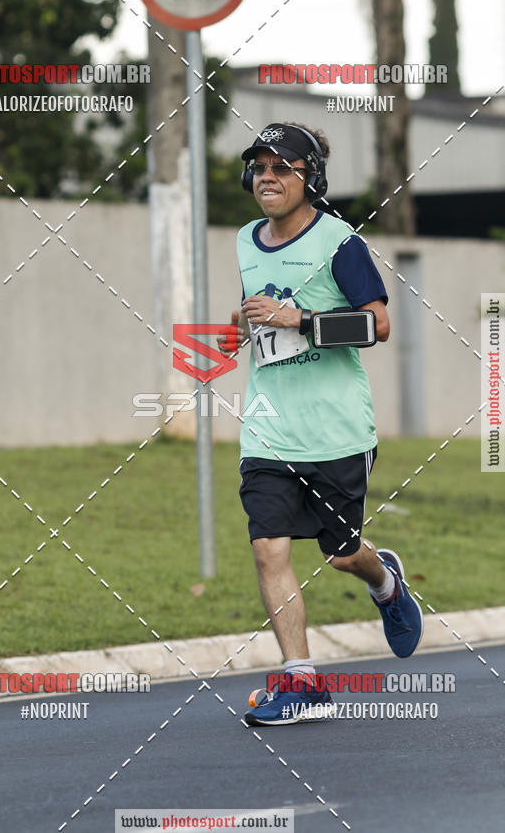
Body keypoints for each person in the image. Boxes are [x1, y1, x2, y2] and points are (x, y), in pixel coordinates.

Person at [218, 122, 423, 726]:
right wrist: (245, 326)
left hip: (336, 430)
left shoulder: (340, 242)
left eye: (282, 168)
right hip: (269, 428)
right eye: (259, 167)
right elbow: (261, 316)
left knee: (339, 555)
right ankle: (302, 681)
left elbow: (378, 327)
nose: (268, 178)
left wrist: (299, 319)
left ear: (311, 178)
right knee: (267, 546)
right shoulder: (244, 241)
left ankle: (384, 581)